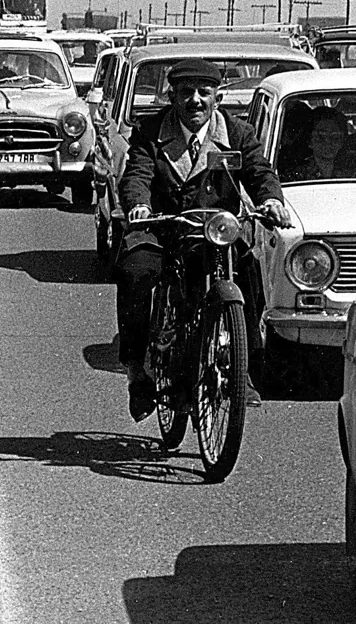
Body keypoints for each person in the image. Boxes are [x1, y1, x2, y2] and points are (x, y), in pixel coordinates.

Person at [115, 58, 293, 421]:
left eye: (204, 93)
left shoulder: (238, 133)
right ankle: (137, 370)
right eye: (185, 93)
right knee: (136, 272)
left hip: (216, 233)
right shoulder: (150, 131)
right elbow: (137, 174)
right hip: (162, 229)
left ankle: (242, 367)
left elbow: (260, 171)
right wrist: (139, 206)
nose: (195, 100)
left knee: (248, 269)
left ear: (218, 97)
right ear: (171, 96)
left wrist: (271, 200)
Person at [284, 106, 349, 181]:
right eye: (321, 136)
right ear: (310, 141)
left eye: (334, 137)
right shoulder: (297, 175)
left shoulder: (350, 173)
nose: (328, 143)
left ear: (341, 142)